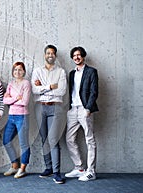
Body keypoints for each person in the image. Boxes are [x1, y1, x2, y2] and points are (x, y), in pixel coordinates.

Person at [31, 45, 67, 184]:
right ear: (44, 55)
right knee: (44, 138)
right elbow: (35, 90)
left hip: (55, 107)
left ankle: (57, 173)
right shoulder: (37, 71)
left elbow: (61, 91)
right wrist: (50, 86)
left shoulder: (61, 72)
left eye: (53, 53)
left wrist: (43, 88)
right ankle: (48, 168)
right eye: (48, 53)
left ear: (55, 56)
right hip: (40, 108)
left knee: (53, 140)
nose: (50, 55)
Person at [65, 46, 99, 181]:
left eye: (79, 55)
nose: (76, 57)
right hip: (73, 109)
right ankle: (79, 168)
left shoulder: (91, 71)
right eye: (74, 56)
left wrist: (89, 108)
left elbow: (94, 92)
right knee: (69, 139)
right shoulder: (72, 73)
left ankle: (91, 171)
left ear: (83, 56)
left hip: (85, 109)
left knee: (89, 139)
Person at [3, 62, 31, 179]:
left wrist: (11, 99)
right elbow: (5, 101)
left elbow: (24, 102)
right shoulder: (11, 84)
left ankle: (23, 168)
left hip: (22, 116)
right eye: (15, 70)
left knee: (23, 143)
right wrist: (16, 98)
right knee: (6, 141)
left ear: (23, 71)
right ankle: (14, 165)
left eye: (20, 70)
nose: (17, 72)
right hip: (11, 116)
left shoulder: (26, 83)